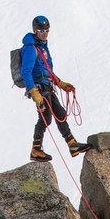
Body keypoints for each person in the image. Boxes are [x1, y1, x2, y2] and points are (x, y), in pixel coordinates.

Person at [21, 15, 89, 163]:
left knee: (60, 113)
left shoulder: (42, 47)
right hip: (40, 89)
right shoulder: (31, 49)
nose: (44, 33)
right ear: (34, 30)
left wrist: (61, 84)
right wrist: (33, 91)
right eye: (41, 30)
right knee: (46, 118)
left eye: (46, 30)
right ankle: (36, 149)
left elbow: (48, 71)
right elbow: (25, 71)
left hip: (48, 87)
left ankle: (72, 145)